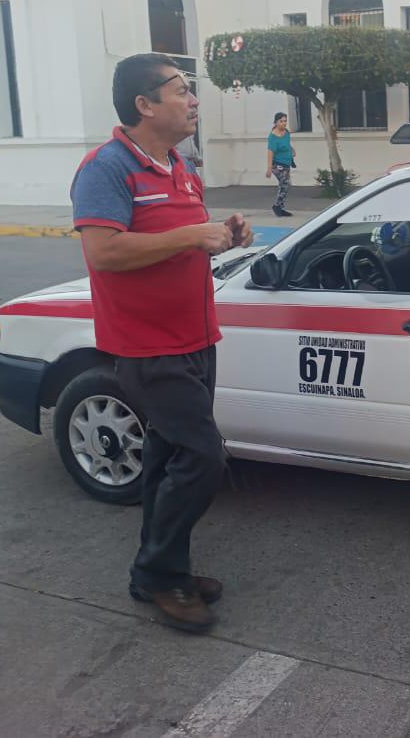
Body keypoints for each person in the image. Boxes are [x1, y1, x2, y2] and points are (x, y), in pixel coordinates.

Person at [70, 53, 254, 634]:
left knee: (167, 457)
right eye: (182, 90)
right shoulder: (106, 168)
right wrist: (188, 235)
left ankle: (159, 569)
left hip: (197, 336)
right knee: (202, 457)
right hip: (148, 347)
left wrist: (221, 235)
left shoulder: (180, 166)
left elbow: (178, 245)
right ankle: (157, 571)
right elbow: (103, 252)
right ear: (144, 105)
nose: (194, 100)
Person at [266, 112, 295, 217]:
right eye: (281, 121)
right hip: (277, 165)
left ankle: (280, 207)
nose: (284, 123)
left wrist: (292, 150)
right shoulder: (273, 137)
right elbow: (270, 153)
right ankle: (277, 206)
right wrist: (269, 168)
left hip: (286, 163)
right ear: (276, 122)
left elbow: (287, 143)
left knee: (285, 185)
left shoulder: (286, 132)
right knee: (285, 183)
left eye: (285, 121)